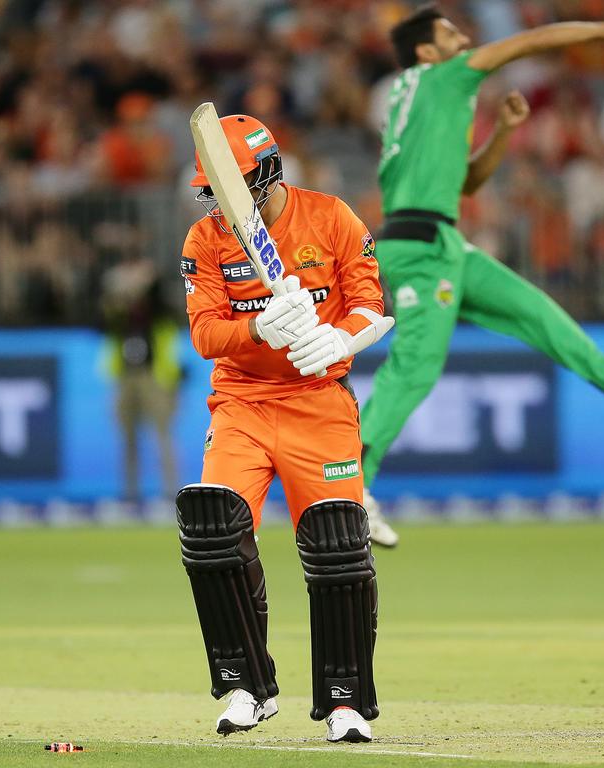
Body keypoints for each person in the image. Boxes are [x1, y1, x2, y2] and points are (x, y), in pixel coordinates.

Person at [360, 6, 604, 547]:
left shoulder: (419, 96)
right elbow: (530, 42)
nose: (464, 36)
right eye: (450, 32)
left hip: (441, 240)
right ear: (426, 51)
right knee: (417, 365)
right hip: (420, 249)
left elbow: (466, 184)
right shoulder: (445, 77)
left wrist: (501, 134)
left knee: (533, 309)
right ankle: (351, 486)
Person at [176, 113, 391, 743]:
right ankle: (246, 686)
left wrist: (333, 342)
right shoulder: (205, 239)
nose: (221, 203)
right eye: (212, 190)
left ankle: (346, 701)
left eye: (232, 188)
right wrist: (259, 329)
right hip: (242, 403)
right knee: (214, 524)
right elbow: (204, 332)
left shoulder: (331, 218)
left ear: (269, 173)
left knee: (338, 544)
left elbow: (370, 306)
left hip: (319, 401)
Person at [100, 254, 181, 502]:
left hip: (154, 376)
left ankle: (170, 491)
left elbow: (165, 311)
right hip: (125, 376)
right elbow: (103, 322)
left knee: (162, 435)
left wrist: (146, 284)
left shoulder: (157, 306)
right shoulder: (119, 307)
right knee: (128, 436)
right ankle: (130, 491)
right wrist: (122, 294)